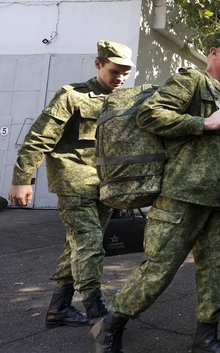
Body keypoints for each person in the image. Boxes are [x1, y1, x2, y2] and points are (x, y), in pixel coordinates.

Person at [90, 32, 220, 353]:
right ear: (213, 54)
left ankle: (206, 341)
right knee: (159, 269)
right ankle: (109, 328)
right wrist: (200, 123)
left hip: (219, 203)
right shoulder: (191, 81)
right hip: (181, 195)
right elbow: (150, 115)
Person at [7, 41, 134, 328]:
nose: (121, 78)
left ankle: (59, 309)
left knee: (77, 245)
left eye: (126, 73)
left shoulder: (123, 100)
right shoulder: (71, 95)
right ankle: (96, 311)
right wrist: (22, 180)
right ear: (98, 64)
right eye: (115, 71)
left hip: (106, 184)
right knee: (89, 244)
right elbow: (39, 138)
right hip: (74, 181)